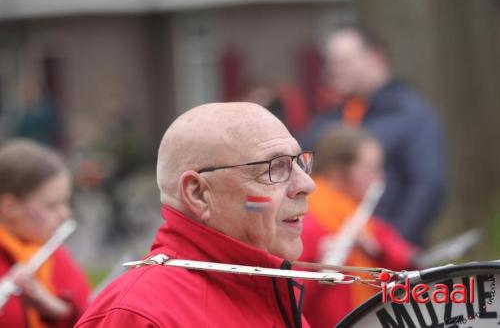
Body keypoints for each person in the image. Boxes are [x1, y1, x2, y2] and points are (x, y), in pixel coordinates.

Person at [75, 102, 316, 328]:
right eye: (275, 167)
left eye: (299, 163)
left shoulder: (265, 285)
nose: (307, 184)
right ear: (198, 194)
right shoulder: (140, 316)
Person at [300, 27, 447, 246]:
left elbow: (427, 185)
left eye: (343, 62)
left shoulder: (411, 116)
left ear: (375, 57)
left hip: (386, 256)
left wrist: (391, 246)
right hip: (329, 254)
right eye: (330, 63)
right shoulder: (326, 122)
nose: (333, 70)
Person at [300, 126, 418, 327]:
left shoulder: (362, 219)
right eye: (369, 169)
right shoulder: (304, 219)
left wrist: (375, 250)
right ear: (336, 171)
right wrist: (322, 275)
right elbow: (289, 299)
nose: (379, 179)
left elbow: (410, 262)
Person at [0, 139, 91, 328]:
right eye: (52, 205)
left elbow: (93, 318)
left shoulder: (59, 258)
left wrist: (59, 311)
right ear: (10, 207)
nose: (65, 214)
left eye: (65, 202)